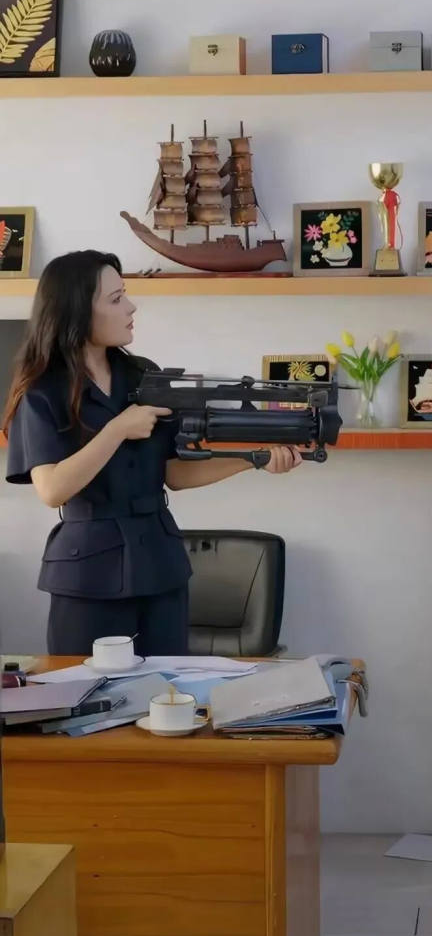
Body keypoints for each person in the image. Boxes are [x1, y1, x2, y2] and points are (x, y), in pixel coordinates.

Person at [2, 250, 303, 657]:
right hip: (87, 573)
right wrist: (117, 429)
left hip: (160, 564)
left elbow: (175, 474)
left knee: (166, 687)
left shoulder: (143, 375)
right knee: (86, 689)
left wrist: (256, 459)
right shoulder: (43, 392)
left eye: (125, 295)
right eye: (115, 299)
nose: (131, 307)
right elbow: (52, 489)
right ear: (77, 311)